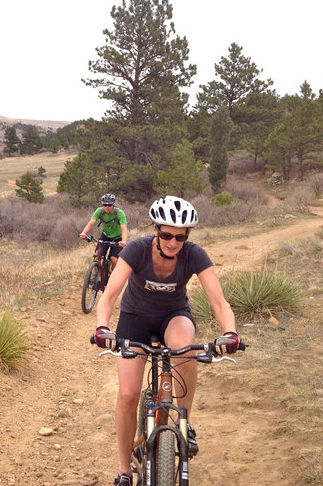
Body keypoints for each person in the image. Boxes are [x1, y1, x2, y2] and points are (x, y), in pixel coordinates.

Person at [92, 195, 239, 486]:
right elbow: (109, 295)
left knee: (187, 351)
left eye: (180, 237)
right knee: (128, 394)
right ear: (156, 230)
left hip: (173, 314)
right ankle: (123, 469)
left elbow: (220, 303)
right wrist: (102, 327)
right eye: (167, 235)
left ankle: (184, 421)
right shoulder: (136, 250)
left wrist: (230, 332)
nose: (173, 242)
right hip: (135, 318)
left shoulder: (194, 254)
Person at [79, 193, 128, 271]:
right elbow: (91, 222)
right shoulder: (99, 211)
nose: (107, 207)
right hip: (105, 236)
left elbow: (124, 228)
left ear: (113, 205)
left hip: (117, 238)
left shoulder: (119, 213)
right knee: (97, 256)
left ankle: (112, 278)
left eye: (109, 205)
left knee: (114, 259)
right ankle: (94, 278)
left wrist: (124, 241)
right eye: (105, 205)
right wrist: (84, 233)